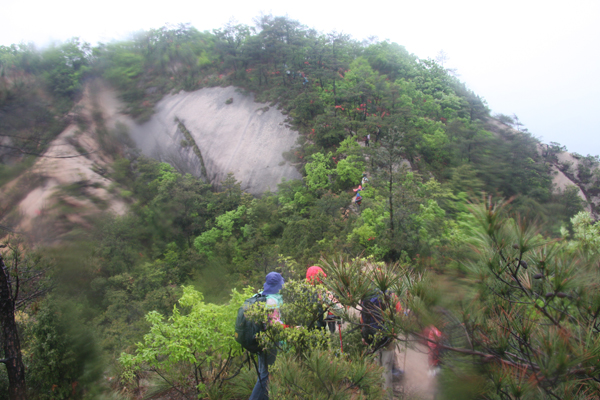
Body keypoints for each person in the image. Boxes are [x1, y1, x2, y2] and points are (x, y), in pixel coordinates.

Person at [250, 272, 284, 400]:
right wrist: (291, 328)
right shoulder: (272, 301)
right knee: (265, 376)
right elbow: (275, 324)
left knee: (263, 373)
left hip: (258, 340)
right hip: (270, 342)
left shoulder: (258, 296)